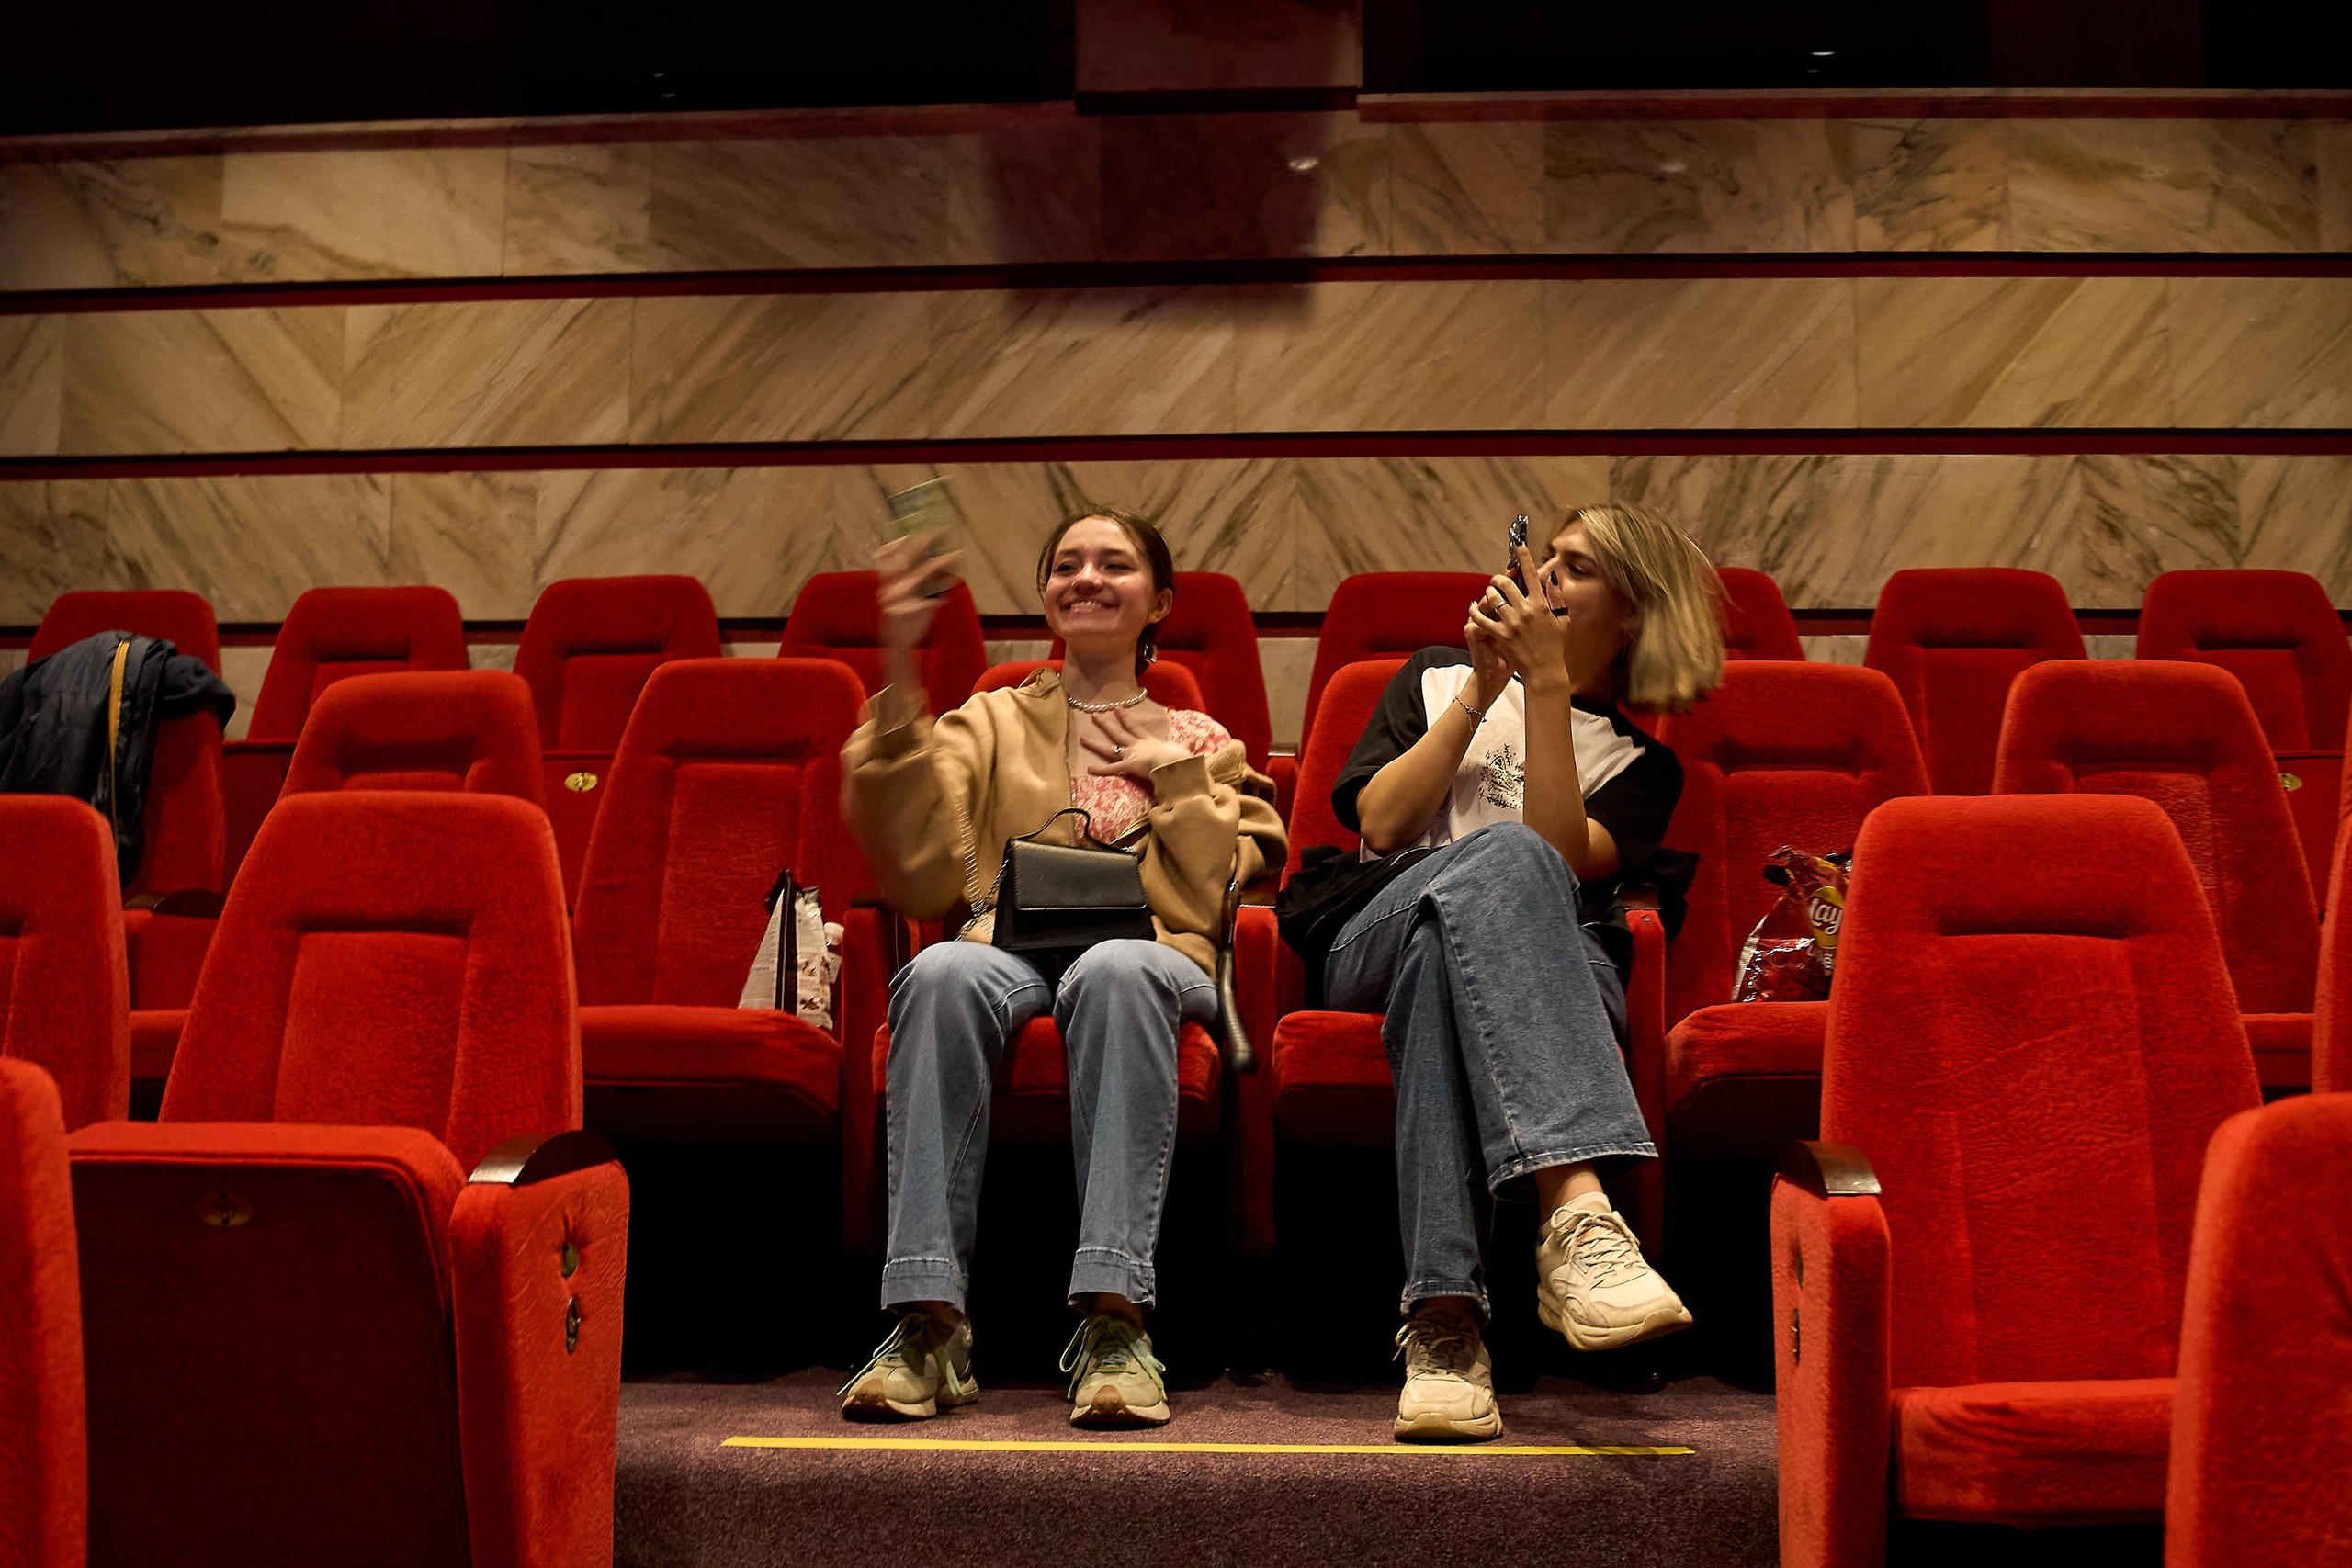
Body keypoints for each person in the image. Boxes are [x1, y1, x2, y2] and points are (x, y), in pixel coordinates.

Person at [837, 505, 1285, 1428]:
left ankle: (1115, 1324)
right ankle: (928, 1322)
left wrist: (1177, 776)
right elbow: (917, 863)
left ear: (1157, 600)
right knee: (936, 975)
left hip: (1155, 955)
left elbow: (1212, 899)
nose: (1085, 577)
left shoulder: (1205, 739)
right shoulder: (992, 720)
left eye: (1113, 564)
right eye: (1066, 563)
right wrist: (896, 660)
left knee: (1116, 970)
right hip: (1013, 949)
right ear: (1045, 596)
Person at [1321, 503, 1724, 1443]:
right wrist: (1485, 689)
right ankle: (1579, 1215)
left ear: (1631, 611)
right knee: (1480, 877)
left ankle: (1444, 1329)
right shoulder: (1431, 677)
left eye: (1576, 567)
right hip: (1371, 928)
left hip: (1508, 963)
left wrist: (1545, 693)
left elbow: (1557, 850)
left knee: (1454, 947)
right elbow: (1380, 827)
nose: (1544, 574)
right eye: (1546, 556)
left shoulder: (1640, 765)